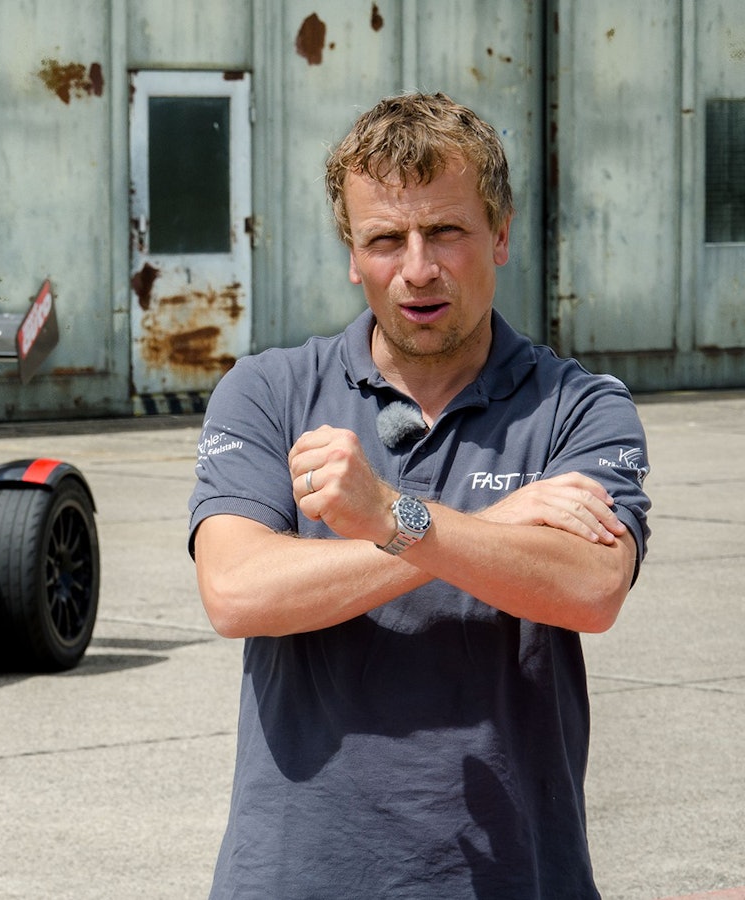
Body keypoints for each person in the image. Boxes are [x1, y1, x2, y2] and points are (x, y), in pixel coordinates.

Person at [186, 91, 651, 899]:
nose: (417, 269)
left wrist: (389, 518)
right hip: (298, 877)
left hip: (515, 877)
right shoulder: (267, 392)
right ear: (351, 252)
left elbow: (591, 588)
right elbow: (236, 592)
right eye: (384, 239)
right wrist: (480, 527)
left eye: (444, 231)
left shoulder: (580, 407)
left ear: (500, 233)